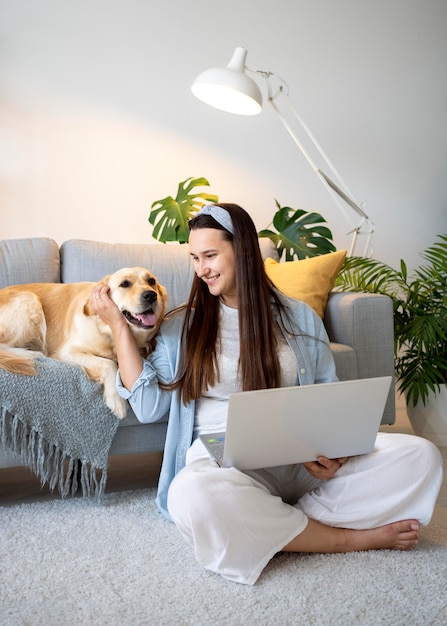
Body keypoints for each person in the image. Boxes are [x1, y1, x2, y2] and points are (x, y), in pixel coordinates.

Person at [92, 203, 443, 585]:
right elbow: (147, 407)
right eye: (195, 258)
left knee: (420, 456)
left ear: (242, 249)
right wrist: (120, 328)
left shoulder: (299, 316)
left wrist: (334, 453)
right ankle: (341, 538)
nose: (201, 269)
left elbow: (328, 396)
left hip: (302, 463)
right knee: (191, 494)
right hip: (224, 468)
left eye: (210, 255)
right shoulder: (182, 325)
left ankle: (275, 524)